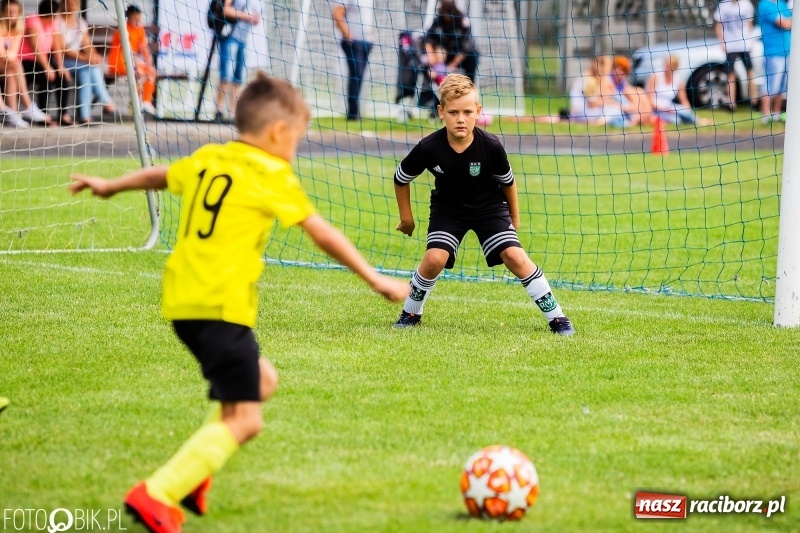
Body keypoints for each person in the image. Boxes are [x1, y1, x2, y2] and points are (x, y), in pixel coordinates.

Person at [69, 72, 409, 533]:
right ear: (278, 133)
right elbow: (321, 231)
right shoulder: (271, 173)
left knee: (262, 380)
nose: (297, 149)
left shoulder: (211, 157)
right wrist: (376, 280)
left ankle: (196, 474)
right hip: (220, 306)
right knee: (247, 421)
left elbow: (161, 175)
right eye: (299, 139)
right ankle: (158, 492)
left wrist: (111, 186)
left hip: (183, 302)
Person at [391, 74, 575, 336]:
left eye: (467, 111)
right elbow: (401, 178)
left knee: (515, 256)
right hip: (448, 209)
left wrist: (515, 217)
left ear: (478, 111)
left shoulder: (490, 146)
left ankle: (557, 317)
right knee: (434, 259)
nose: (461, 118)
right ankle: (410, 312)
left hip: (489, 208)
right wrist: (407, 218)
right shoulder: (429, 147)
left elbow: (508, 182)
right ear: (441, 112)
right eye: (453, 112)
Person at [58, 0, 116, 124]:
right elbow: (62, 49)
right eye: (69, 3)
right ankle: (106, 101)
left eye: (74, 3)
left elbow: (87, 44)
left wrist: (94, 56)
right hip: (62, 61)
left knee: (87, 73)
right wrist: (87, 59)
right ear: (63, 3)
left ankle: (84, 116)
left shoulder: (80, 22)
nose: (71, 6)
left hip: (79, 63)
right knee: (89, 68)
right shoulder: (57, 22)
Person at [0, 0, 52, 127]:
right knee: (15, 65)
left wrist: (7, 56)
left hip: (6, 66)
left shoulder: (19, 28)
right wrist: (7, 56)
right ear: (2, 12)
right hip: (4, 63)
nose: (11, 15)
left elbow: (13, 53)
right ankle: (27, 106)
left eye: (14, 12)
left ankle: (12, 113)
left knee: (12, 71)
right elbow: (2, 53)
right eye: (8, 12)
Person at [19, 0, 70, 124]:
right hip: (26, 61)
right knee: (46, 76)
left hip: (42, 61)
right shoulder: (32, 20)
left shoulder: (53, 23)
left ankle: (63, 114)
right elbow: (36, 49)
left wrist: (60, 66)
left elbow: (57, 47)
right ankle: (43, 115)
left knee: (62, 77)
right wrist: (47, 67)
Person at [214, 0, 260, 122]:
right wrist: (246, 16)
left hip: (244, 40)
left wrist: (254, 19)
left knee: (238, 78)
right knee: (226, 75)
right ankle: (219, 110)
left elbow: (256, 18)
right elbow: (225, 9)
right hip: (230, 37)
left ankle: (233, 113)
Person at [107, 4, 156, 116]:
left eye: (139, 17)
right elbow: (127, 51)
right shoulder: (123, 30)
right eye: (135, 17)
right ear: (129, 17)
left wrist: (149, 64)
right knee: (139, 72)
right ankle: (136, 103)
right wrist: (138, 65)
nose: (138, 20)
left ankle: (146, 102)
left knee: (151, 71)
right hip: (119, 62)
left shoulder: (140, 30)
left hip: (132, 62)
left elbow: (144, 49)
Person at [331, 0, 374, 121]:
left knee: (360, 77)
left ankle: (355, 112)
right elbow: (337, 13)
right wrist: (348, 35)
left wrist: (371, 35)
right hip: (353, 42)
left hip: (367, 42)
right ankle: (353, 113)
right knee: (356, 74)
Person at [714, 0, 757, 110]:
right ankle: (731, 103)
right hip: (731, 46)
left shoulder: (746, 4)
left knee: (750, 73)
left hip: (744, 45)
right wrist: (722, 42)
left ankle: (754, 101)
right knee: (730, 75)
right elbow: (718, 25)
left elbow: (749, 24)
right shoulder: (723, 5)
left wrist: (750, 40)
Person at [645, 55, 712, 126]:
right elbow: (649, 99)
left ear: (675, 67)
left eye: (670, 65)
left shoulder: (678, 79)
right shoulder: (655, 76)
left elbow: (683, 100)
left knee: (681, 111)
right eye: (666, 64)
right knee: (677, 120)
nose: (666, 67)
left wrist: (688, 111)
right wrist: (664, 109)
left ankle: (697, 120)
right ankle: (698, 121)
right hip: (656, 109)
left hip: (670, 107)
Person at [424, 0, 478, 83]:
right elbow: (428, 38)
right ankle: (427, 93)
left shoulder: (462, 21)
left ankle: (470, 86)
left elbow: (467, 47)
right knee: (424, 65)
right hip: (444, 57)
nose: (447, 16)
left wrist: (451, 66)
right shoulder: (438, 20)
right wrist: (430, 55)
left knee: (473, 55)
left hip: (462, 58)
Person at [757, 0, 792, 124]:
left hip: (787, 51)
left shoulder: (781, 4)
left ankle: (776, 114)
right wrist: (792, 21)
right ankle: (766, 115)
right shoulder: (765, 5)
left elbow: (790, 20)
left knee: (782, 87)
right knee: (770, 85)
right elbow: (784, 23)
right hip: (773, 53)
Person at [568, 56, 626, 126]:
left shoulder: (593, 78)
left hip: (582, 112)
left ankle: (598, 121)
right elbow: (592, 104)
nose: (609, 72)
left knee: (615, 110)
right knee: (615, 110)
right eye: (609, 67)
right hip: (580, 112)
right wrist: (609, 103)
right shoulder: (589, 80)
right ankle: (598, 123)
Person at [609, 55, 653, 126]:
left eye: (624, 71)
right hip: (616, 108)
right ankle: (644, 118)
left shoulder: (622, 83)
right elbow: (607, 100)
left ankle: (647, 117)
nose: (621, 73)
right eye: (619, 69)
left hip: (626, 106)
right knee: (636, 102)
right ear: (613, 68)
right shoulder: (608, 81)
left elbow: (632, 94)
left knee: (639, 91)